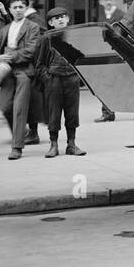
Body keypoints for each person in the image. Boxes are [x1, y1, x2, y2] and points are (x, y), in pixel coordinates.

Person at [0, 0, 42, 160]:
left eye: (22, 6)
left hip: (24, 72)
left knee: (19, 108)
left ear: (26, 8)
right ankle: (22, 133)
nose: (18, 9)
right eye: (15, 7)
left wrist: (10, 56)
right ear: (10, 10)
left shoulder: (33, 27)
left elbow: (31, 50)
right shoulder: (5, 29)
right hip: (6, 73)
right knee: (5, 106)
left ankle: (17, 147)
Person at [38, 8, 86, 158]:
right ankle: (53, 145)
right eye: (56, 18)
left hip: (72, 78)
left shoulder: (75, 36)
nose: (60, 20)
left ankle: (71, 144)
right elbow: (40, 63)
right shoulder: (47, 38)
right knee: (54, 113)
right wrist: (47, 79)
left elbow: (82, 59)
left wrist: (79, 78)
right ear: (51, 23)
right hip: (54, 80)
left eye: (63, 17)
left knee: (72, 113)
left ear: (68, 20)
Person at [93, 0, 124, 122]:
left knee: (123, 83)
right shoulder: (99, 16)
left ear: (115, 0)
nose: (108, 2)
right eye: (106, 0)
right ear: (101, 1)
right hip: (103, 53)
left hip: (117, 52)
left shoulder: (121, 15)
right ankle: (107, 112)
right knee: (104, 83)